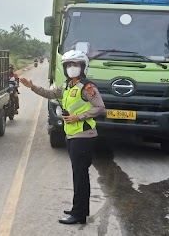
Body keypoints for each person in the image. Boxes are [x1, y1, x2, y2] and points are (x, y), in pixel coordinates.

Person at [19, 50, 105, 225]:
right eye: (69, 65)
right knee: (77, 174)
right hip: (72, 135)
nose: (72, 68)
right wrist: (32, 86)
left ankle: (79, 215)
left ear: (83, 67)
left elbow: (100, 108)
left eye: (76, 65)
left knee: (80, 175)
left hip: (84, 136)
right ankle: (78, 209)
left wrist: (78, 117)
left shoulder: (87, 87)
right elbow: (49, 94)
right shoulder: (67, 86)